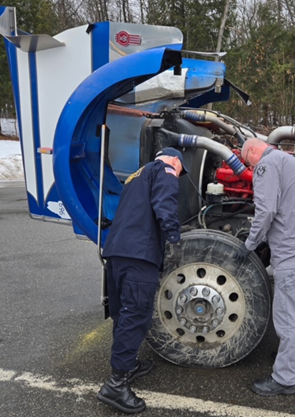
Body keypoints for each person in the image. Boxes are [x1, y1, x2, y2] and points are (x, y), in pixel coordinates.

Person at [234, 138, 295, 397]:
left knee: (286, 316)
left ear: (253, 151)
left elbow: (265, 211)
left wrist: (250, 244)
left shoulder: (267, 165)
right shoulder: (288, 160)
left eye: (246, 161)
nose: (249, 167)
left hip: (290, 248)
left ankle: (284, 379)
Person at [97, 147, 188, 414]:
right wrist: (173, 238)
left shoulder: (135, 176)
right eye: (181, 169)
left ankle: (128, 365)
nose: (179, 175)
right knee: (135, 316)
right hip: (139, 255)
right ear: (175, 160)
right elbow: (165, 203)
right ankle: (115, 385)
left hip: (116, 253)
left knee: (122, 315)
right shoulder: (166, 169)